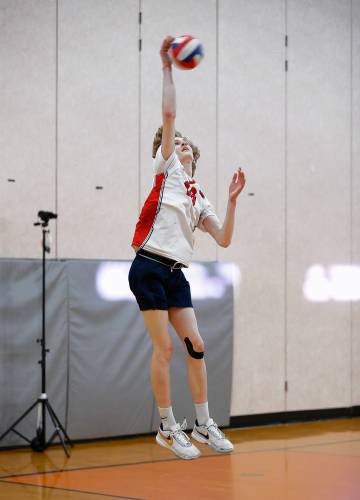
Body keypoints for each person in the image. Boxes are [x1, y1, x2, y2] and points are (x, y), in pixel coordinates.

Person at [128, 36, 246, 460]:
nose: (177, 144)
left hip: (176, 272)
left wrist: (231, 202)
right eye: (171, 142)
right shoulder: (168, 169)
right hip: (148, 266)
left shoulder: (200, 197)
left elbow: (224, 238)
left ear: (194, 153)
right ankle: (166, 426)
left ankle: (202, 423)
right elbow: (169, 113)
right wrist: (166, 67)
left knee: (196, 345)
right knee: (166, 348)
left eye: (181, 143)